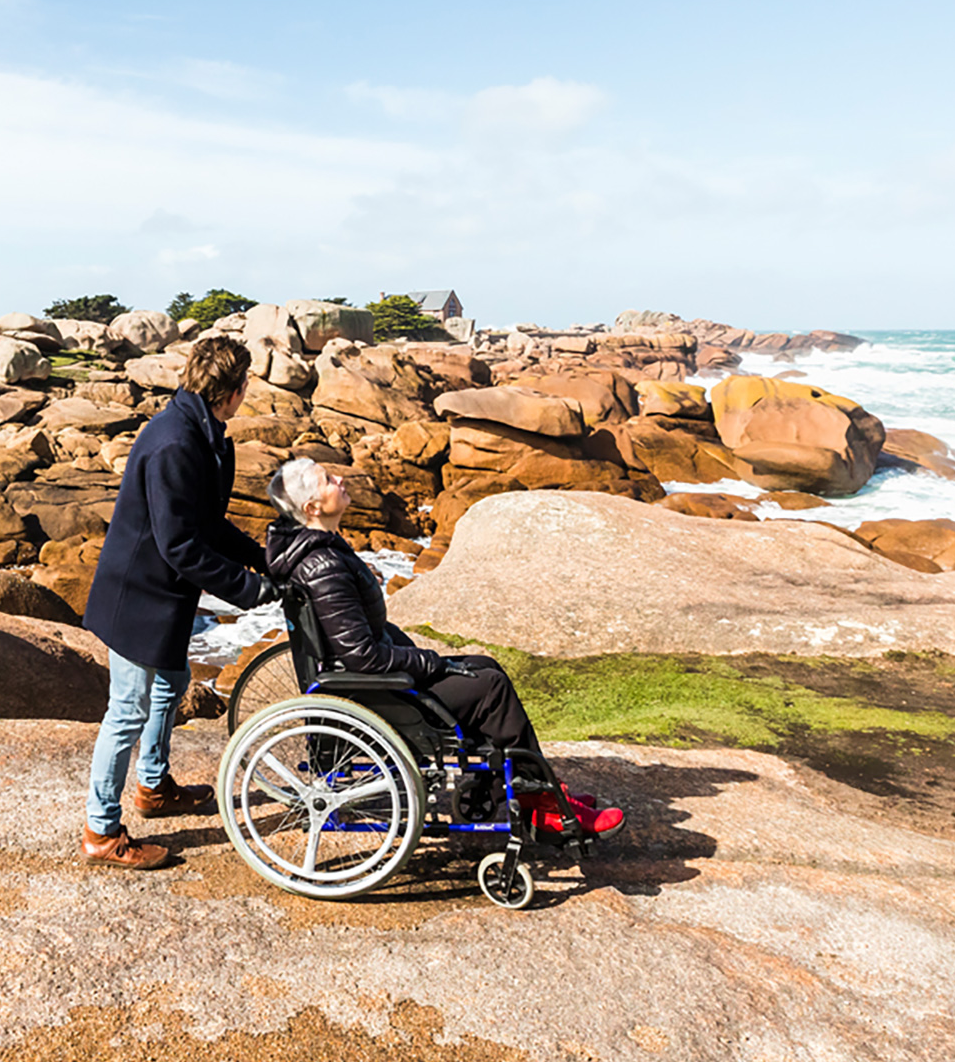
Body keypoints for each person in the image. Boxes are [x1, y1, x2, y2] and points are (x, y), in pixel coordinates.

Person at [264, 456, 622, 838]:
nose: (339, 478)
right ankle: (543, 807)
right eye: (327, 479)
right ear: (312, 508)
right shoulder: (324, 566)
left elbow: (364, 637)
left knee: (486, 666)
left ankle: (528, 787)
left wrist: (422, 659)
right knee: (491, 690)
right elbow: (361, 655)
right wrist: (428, 662)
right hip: (373, 692)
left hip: (372, 681)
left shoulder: (326, 550)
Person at [80, 336, 277, 869]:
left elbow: (206, 522)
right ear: (234, 391)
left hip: (163, 594)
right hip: (138, 595)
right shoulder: (175, 442)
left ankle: (152, 787)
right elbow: (180, 544)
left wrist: (260, 558)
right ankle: (101, 830)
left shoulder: (198, 430)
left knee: (172, 683)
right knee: (126, 709)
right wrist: (249, 589)